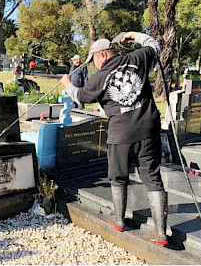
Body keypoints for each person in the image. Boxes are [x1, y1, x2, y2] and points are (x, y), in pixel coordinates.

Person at [60, 32, 169, 246]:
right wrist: (134, 35)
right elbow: (154, 45)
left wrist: (67, 83)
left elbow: (79, 97)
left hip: (121, 135)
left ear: (102, 56)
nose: (94, 66)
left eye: (94, 61)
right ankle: (161, 233)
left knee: (118, 177)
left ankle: (119, 220)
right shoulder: (137, 58)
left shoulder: (99, 78)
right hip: (148, 130)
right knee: (153, 179)